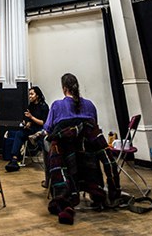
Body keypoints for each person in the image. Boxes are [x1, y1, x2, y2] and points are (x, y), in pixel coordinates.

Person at [43, 73, 120, 225]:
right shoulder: (90, 105)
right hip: (87, 153)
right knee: (84, 150)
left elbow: (48, 129)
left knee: (50, 147)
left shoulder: (57, 105)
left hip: (65, 152)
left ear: (64, 88)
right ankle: (96, 190)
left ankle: (60, 192)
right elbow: (94, 126)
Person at [5, 86, 49, 172]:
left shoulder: (44, 106)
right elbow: (27, 119)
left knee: (39, 136)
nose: (30, 96)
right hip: (31, 129)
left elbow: (43, 123)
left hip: (40, 129)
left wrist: (31, 117)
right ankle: (14, 160)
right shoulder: (31, 106)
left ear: (37, 95)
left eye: (32, 94)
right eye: (29, 94)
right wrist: (26, 123)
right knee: (19, 134)